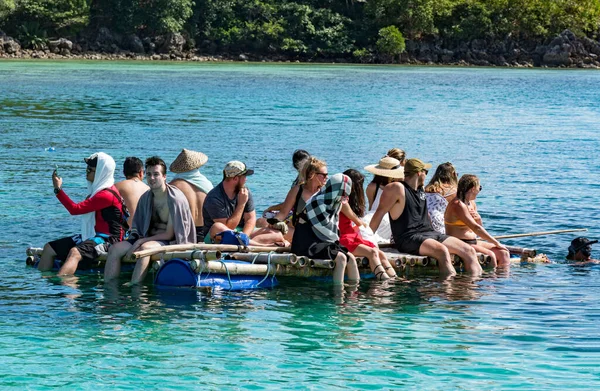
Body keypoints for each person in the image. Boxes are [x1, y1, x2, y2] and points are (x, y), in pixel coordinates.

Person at [369, 158, 482, 276]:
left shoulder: (421, 190)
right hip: (408, 237)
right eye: (426, 172)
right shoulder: (397, 188)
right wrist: (368, 240)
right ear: (419, 173)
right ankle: (450, 290)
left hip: (429, 233)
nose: (427, 176)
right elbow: (379, 214)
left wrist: (439, 233)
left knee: (469, 250)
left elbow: (425, 215)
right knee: (442, 251)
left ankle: (473, 289)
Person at [104, 156, 195, 284]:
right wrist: (137, 240)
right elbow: (138, 227)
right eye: (149, 174)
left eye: (156, 174)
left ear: (164, 176)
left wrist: (140, 241)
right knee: (114, 249)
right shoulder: (145, 198)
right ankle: (109, 289)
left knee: (145, 248)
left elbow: (169, 234)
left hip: (169, 241)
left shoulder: (174, 200)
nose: (152, 178)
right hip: (146, 237)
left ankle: (135, 287)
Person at [38, 153, 125, 275]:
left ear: (100, 172)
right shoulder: (97, 192)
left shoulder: (106, 195)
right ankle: (41, 285)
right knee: (49, 248)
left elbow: (75, 209)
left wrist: (58, 190)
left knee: (75, 252)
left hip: (109, 239)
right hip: (93, 235)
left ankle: (65, 287)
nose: (87, 172)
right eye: (87, 169)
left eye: (90, 170)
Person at [291, 173, 360, 285]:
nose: (344, 198)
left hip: (323, 241)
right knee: (341, 258)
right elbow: (323, 228)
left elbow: (333, 225)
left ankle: (354, 294)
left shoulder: (335, 202)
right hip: (307, 243)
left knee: (351, 258)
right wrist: (336, 244)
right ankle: (339, 294)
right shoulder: (317, 202)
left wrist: (336, 243)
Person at [203, 161, 285, 246]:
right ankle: (261, 246)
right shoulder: (214, 197)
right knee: (217, 226)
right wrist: (241, 204)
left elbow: (250, 219)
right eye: (244, 176)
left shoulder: (245, 191)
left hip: (241, 233)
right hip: (218, 236)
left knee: (277, 234)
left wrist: (244, 236)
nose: (246, 179)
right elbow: (228, 228)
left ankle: (246, 244)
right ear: (235, 178)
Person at [340, 169, 397, 280]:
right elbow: (356, 221)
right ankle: (384, 280)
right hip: (345, 240)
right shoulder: (342, 202)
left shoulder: (347, 202)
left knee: (380, 254)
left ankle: (394, 278)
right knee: (372, 252)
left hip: (353, 237)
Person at [444, 174, 508, 267]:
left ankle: (502, 279)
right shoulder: (458, 204)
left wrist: (478, 218)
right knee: (491, 256)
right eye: (480, 188)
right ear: (473, 188)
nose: (479, 191)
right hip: (460, 243)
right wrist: (496, 242)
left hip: (473, 241)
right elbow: (476, 228)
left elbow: (479, 227)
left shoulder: (471, 203)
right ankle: (490, 279)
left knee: (503, 253)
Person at [266, 156, 327, 242]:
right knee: (267, 228)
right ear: (311, 174)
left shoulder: (325, 193)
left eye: (327, 175)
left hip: (316, 234)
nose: (326, 177)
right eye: (323, 175)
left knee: (273, 233)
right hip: (296, 231)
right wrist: (274, 222)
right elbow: (283, 213)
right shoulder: (297, 190)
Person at [169, 149, 214, 243]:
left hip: (184, 234)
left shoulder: (173, 186)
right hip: (206, 234)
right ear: (197, 166)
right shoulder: (207, 184)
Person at [362, 156, 404, 242]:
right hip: (375, 217)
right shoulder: (374, 186)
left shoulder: (373, 186)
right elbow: (371, 207)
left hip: (381, 218)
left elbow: (371, 206)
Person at [115, 156, 149, 228]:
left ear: (124, 173)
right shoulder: (148, 188)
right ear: (141, 172)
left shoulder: (117, 187)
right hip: (145, 231)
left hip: (127, 231)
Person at [424, 162, 458, 234]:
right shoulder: (453, 190)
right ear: (453, 174)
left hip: (424, 222)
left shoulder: (427, 188)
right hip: (439, 225)